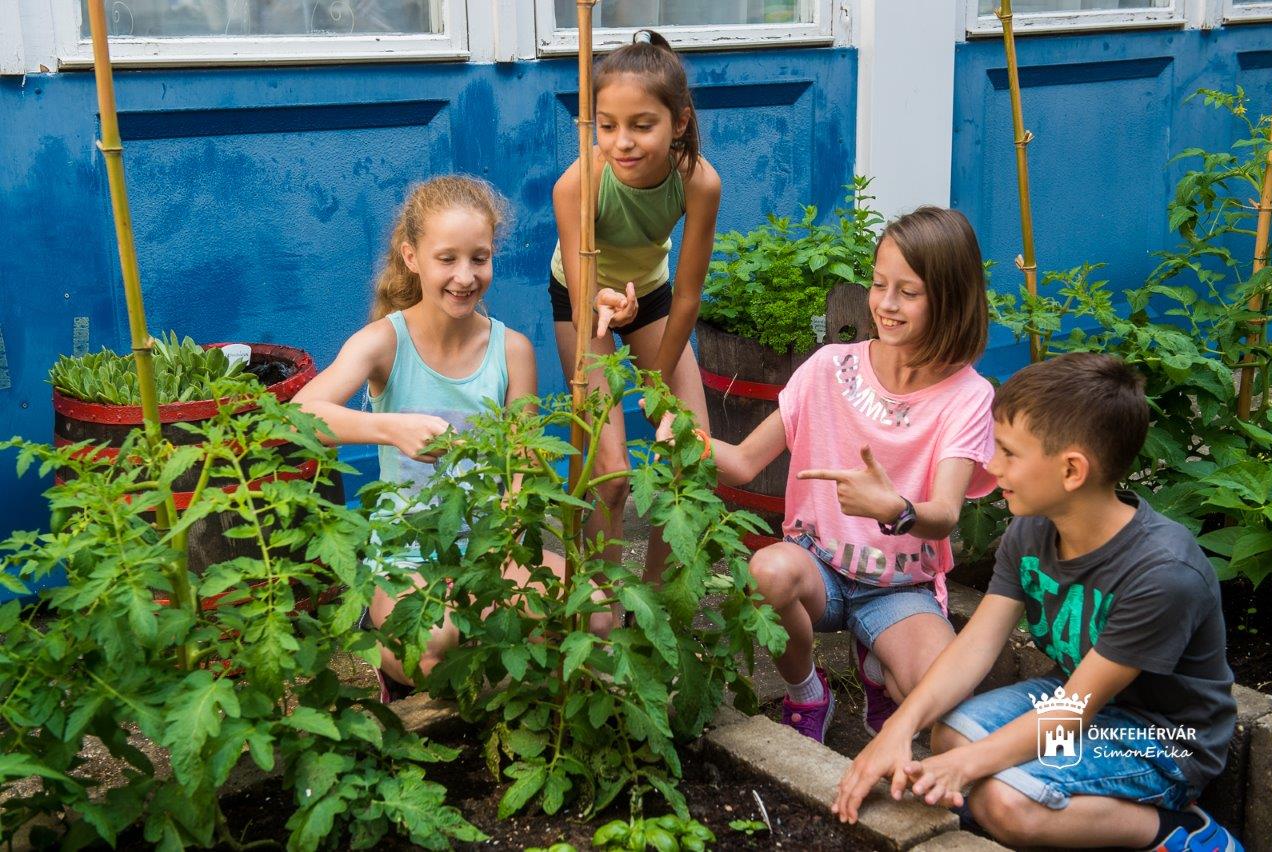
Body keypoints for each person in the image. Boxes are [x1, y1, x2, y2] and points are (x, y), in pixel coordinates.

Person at [832, 353, 1240, 852]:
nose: (990, 464)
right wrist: (899, 727)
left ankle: (1179, 830)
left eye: (1007, 452)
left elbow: (1073, 712)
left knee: (1006, 801)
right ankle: (1066, 812)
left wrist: (967, 768)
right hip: (1083, 701)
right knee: (949, 737)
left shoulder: (1162, 574)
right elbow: (975, 646)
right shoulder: (1032, 529)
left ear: (1071, 470)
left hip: (1162, 739)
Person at [295, 176, 610, 703]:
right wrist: (392, 428)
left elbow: (524, 457)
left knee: (593, 613)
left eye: (479, 258)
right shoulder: (384, 342)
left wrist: (509, 521)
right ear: (411, 257)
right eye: (447, 259)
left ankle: (516, 707)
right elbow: (300, 416)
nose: (465, 277)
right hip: (407, 556)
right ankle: (394, 678)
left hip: (493, 549)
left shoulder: (511, 350)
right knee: (434, 644)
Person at [706, 206, 996, 742]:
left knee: (947, 709)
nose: (886, 304)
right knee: (766, 573)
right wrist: (681, 437)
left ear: (951, 297)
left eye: (908, 292)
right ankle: (807, 694)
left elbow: (946, 515)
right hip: (816, 566)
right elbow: (745, 463)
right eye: (879, 284)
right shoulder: (828, 367)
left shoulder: (967, 397)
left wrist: (897, 509)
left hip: (898, 587)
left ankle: (879, 666)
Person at [548, 29, 721, 588]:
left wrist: (660, 384)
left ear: (680, 122)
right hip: (583, 299)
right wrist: (600, 302)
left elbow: (689, 297)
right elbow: (584, 293)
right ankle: (601, 613)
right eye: (607, 125)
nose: (621, 142)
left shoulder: (698, 182)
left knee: (690, 452)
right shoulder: (578, 182)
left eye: (641, 125)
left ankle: (653, 608)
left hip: (652, 298)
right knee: (612, 475)